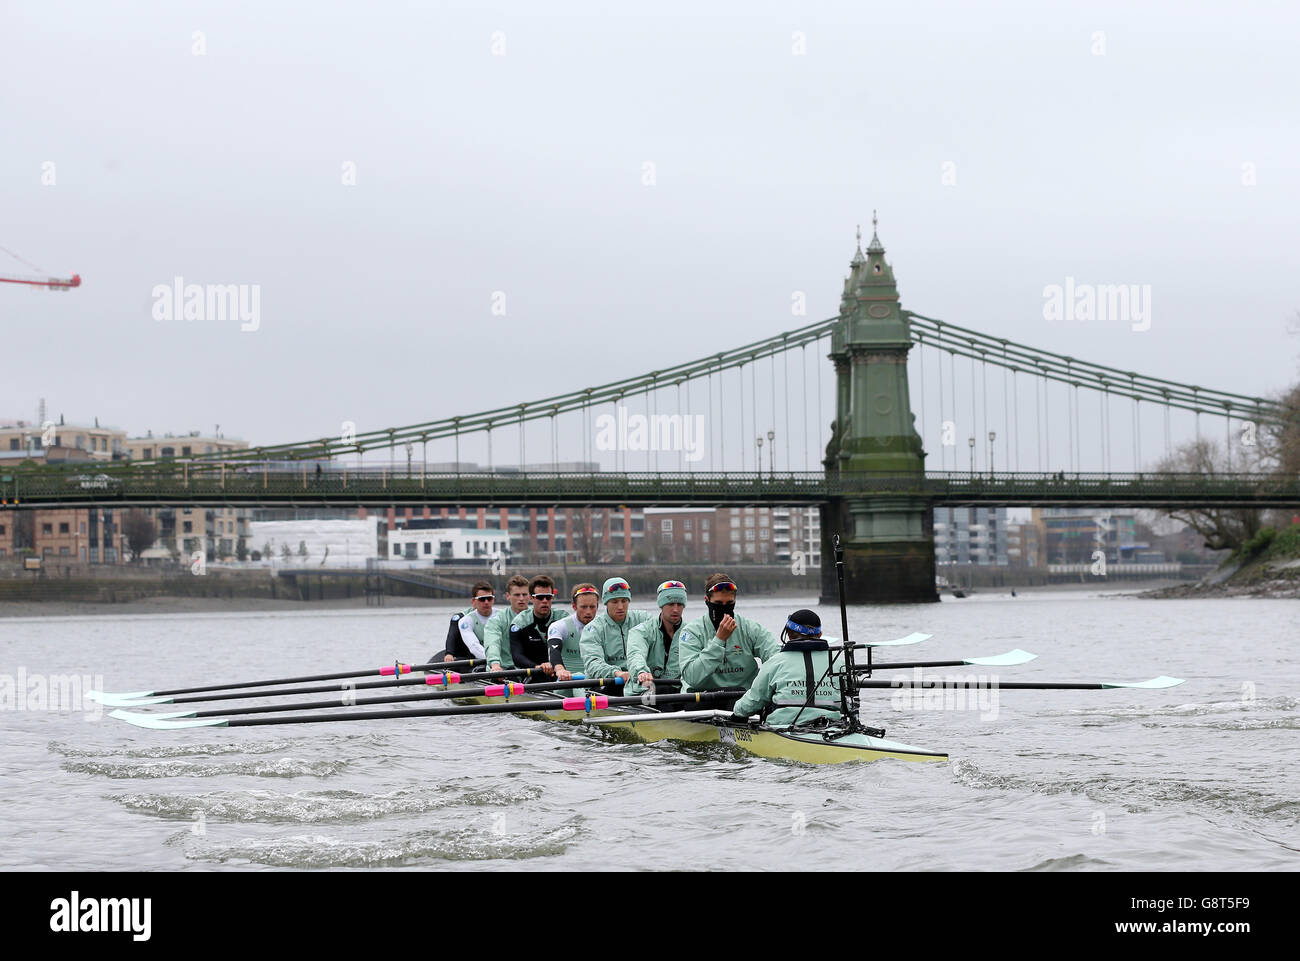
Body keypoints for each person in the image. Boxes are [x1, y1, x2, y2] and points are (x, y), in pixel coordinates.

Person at [677, 573, 779, 708]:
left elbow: (776, 658)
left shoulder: (750, 628)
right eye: (718, 604)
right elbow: (692, 678)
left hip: (742, 697)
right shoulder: (691, 632)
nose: (724, 608)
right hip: (702, 697)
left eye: (729, 603)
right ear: (707, 600)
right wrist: (719, 641)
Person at [730, 609, 842, 727]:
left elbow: (753, 700)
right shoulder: (838, 662)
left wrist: (737, 713)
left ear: (788, 634)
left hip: (783, 728)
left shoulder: (775, 662)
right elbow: (848, 705)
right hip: (831, 726)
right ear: (820, 634)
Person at [580, 576, 653, 683]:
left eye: (624, 601)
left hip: (639, 678)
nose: (620, 607)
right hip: (606, 682)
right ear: (606, 603)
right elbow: (593, 662)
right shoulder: (593, 629)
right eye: (614, 602)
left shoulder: (644, 619)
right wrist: (617, 673)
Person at [625, 580, 687, 697]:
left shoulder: (691, 632)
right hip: (645, 690)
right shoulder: (641, 631)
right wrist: (641, 671)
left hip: (678, 690)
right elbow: (636, 653)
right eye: (670, 604)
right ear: (661, 605)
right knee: (663, 690)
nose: (675, 609)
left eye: (679, 604)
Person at [506, 575, 567, 675]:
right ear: (531, 598)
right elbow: (517, 656)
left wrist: (556, 665)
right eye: (539, 597)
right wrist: (537, 667)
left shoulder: (563, 618)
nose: (544, 601)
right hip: (532, 673)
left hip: (560, 672)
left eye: (548, 597)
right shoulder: (520, 622)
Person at [429, 580, 494, 663]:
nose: (486, 602)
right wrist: (449, 653)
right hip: (465, 656)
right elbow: (452, 636)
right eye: (482, 599)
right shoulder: (461, 618)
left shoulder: (500, 615)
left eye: (489, 598)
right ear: (473, 602)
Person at [547, 583, 600, 683]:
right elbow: (554, 652)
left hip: (596, 680)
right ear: (574, 606)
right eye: (583, 607)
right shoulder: (560, 626)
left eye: (592, 607)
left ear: (597, 606)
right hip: (567, 679)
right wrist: (560, 670)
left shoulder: (603, 627)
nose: (588, 612)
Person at [486, 575, 532, 671]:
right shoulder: (497, 620)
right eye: (517, 595)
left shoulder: (537, 616)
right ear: (508, 596)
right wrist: (495, 664)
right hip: (505, 669)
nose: (521, 598)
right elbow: (493, 643)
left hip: (532, 668)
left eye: (524, 594)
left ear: (530, 596)